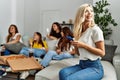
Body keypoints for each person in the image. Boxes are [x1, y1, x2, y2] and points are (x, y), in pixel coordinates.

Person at [59, 4, 105, 80]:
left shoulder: (95, 30)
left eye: (91, 11)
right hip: (82, 64)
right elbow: (78, 53)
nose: (90, 13)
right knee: (62, 72)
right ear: (80, 14)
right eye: (86, 11)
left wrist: (84, 45)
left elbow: (102, 53)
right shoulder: (79, 31)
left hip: (95, 67)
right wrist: (76, 45)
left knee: (70, 79)